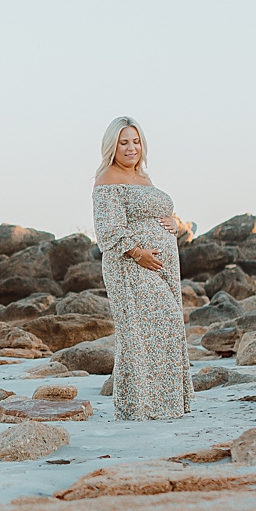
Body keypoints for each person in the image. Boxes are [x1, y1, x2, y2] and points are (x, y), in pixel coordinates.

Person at [91, 116, 194, 420]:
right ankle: (137, 407)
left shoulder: (145, 178)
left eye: (135, 141)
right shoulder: (108, 178)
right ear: (112, 146)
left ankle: (165, 404)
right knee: (140, 332)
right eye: (124, 142)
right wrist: (138, 253)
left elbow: (164, 214)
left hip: (160, 266)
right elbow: (107, 229)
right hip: (129, 265)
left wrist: (176, 224)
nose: (131, 147)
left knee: (168, 328)